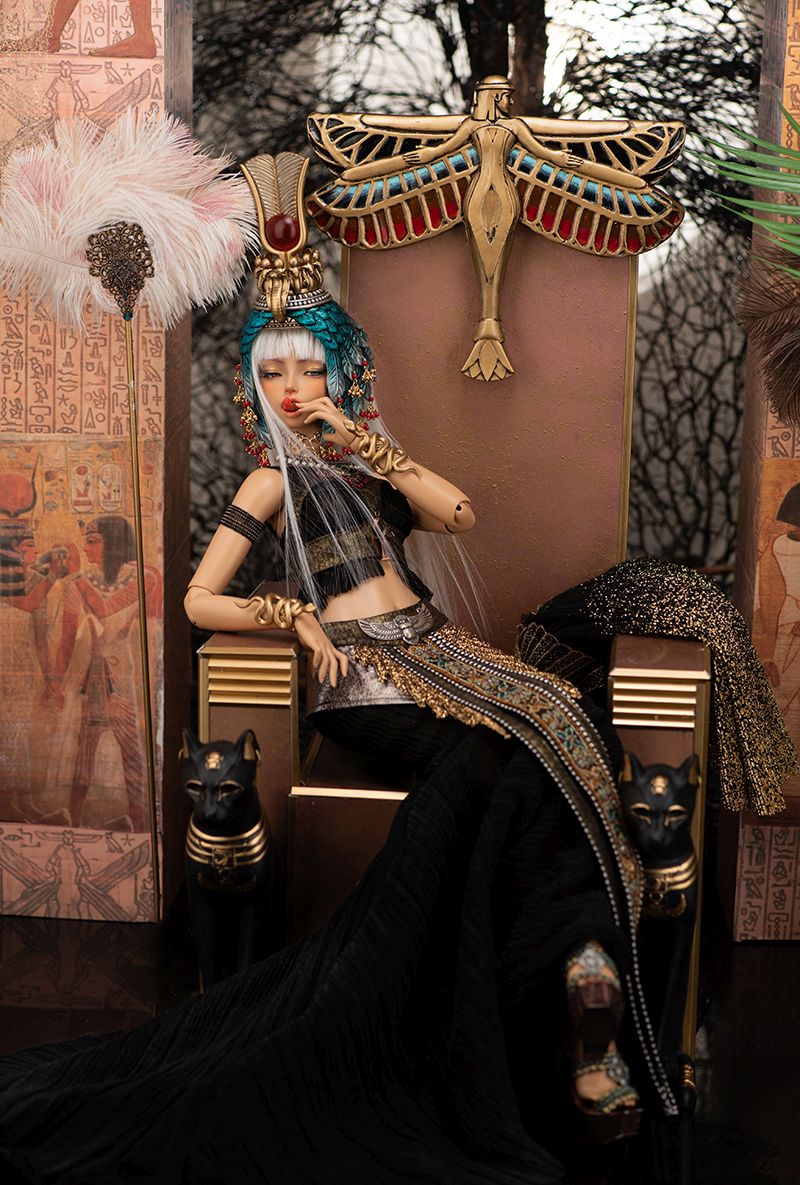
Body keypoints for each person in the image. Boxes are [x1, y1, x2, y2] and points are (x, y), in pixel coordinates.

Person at [0, 158, 674, 1185]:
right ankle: (511, 992)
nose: (289, 389)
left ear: (339, 370)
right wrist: (288, 614)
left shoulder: (362, 457)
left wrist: (368, 445)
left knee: (566, 728)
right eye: (271, 373)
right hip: (364, 681)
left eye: (305, 369)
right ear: (253, 384)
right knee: (490, 770)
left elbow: (457, 513)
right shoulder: (266, 482)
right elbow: (200, 599)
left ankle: (574, 981)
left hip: (438, 650)